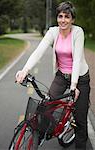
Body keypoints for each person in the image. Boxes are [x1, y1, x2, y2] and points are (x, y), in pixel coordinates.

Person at [15, 1, 90, 149]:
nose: (63, 20)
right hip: (62, 76)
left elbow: (76, 60)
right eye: (60, 16)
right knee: (46, 106)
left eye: (67, 17)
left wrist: (74, 86)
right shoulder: (53, 32)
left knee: (80, 120)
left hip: (80, 79)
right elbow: (38, 52)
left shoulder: (78, 32)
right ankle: (46, 132)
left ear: (72, 19)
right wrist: (25, 70)